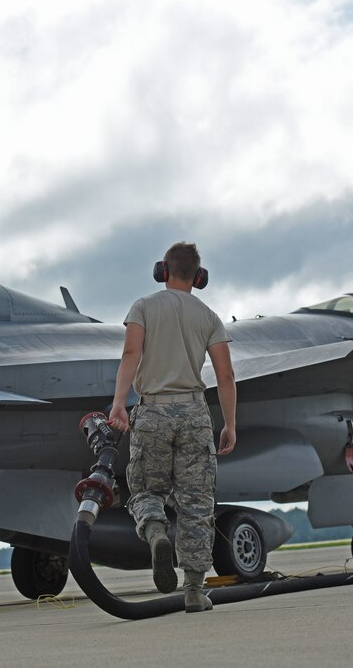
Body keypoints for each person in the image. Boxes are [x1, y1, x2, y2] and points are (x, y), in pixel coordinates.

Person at [108, 242, 237, 613]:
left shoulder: (143, 307)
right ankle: (195, 590)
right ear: (200, 277)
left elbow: (131, 354)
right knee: (197, 503)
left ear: (162, 270)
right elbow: (225, 375)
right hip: (196, 415)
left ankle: (155, 532)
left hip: (153, 413)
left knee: (147, 489)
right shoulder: (209, 316)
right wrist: (229, 424)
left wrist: (119, 403)